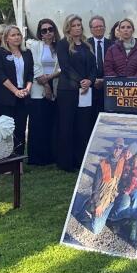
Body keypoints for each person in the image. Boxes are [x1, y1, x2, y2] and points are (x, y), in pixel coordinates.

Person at [56, 14, 97, 172]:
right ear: (68, 27)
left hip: (86, 91)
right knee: (67, 125)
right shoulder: (63, 44)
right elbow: (65, 67)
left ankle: (81, 160)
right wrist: (81, 81)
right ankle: (66, 162)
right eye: (74, 25)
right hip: (68, 90)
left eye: (79, 24)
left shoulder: (87, 45)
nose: (77, 27)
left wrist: (90, 81)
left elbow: (94, 67)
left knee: (83, 126)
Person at [0, 25, 34, 157]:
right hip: (6, 96)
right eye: (13, 35)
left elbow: (30, 74)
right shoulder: (0, 53)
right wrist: (15, 91)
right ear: (6, 39)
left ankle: (18, 160)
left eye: (18, 34)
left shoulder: (27, 53)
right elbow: (0, 75)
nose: (17, 37)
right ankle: (4, 158)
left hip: (23, 95)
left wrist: (27, 89)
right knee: (6, 129)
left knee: (20, 129)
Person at [26, 18, 60, 165]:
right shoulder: (35, 46)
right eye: (44, 30)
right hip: (38, 85)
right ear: (39, 33)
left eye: (50, 29)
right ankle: (36, 158)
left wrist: (51, 78)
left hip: (55, 83)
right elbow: (33, 64)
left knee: (51, 122)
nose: (47, 33)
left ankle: (50, 156)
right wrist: (45, 84)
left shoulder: (60, 47)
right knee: (37, 122)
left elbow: (62, 66)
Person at [88, 16, 108, 118]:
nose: (98, 28)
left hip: (107, 87)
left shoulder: (112, 44)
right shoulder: (85, 45)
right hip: (90, 86)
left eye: (101, 26)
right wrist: (93, 80)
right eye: (95, 27)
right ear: (91, 30)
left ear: (105, 27)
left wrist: (103, 80)